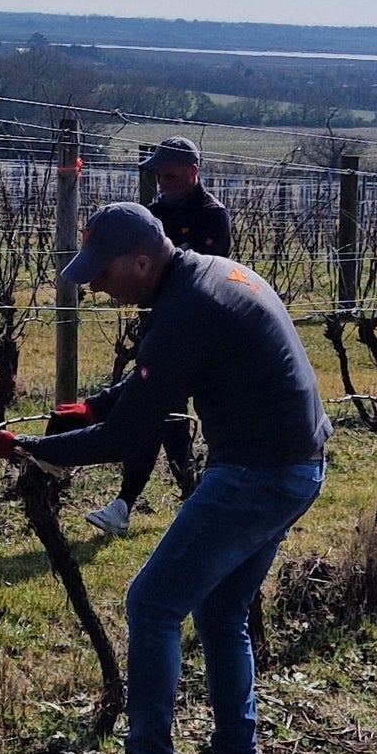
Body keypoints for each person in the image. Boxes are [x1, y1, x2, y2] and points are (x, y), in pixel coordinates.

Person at [0, 201, 329, 754]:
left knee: (153, 603)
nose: (99, 289)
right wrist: (95, 406)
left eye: (102, 275)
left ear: (141, 260)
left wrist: (24, 448)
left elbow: (126, 441)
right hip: (297, 466)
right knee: (219, 609)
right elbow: (155, 388)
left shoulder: (185, 310)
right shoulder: (210, 275)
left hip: (256, 473)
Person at [84, 138, 234, 542]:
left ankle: (135, 503)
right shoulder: (153, 215)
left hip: (196, 331)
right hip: (158, 325)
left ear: (193, 172)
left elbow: (197, 272)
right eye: (158, 176)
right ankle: (189, 500)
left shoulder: (212, 216)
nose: (163, 183)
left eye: (170, 175)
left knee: (158, 409)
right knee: (161, 411)